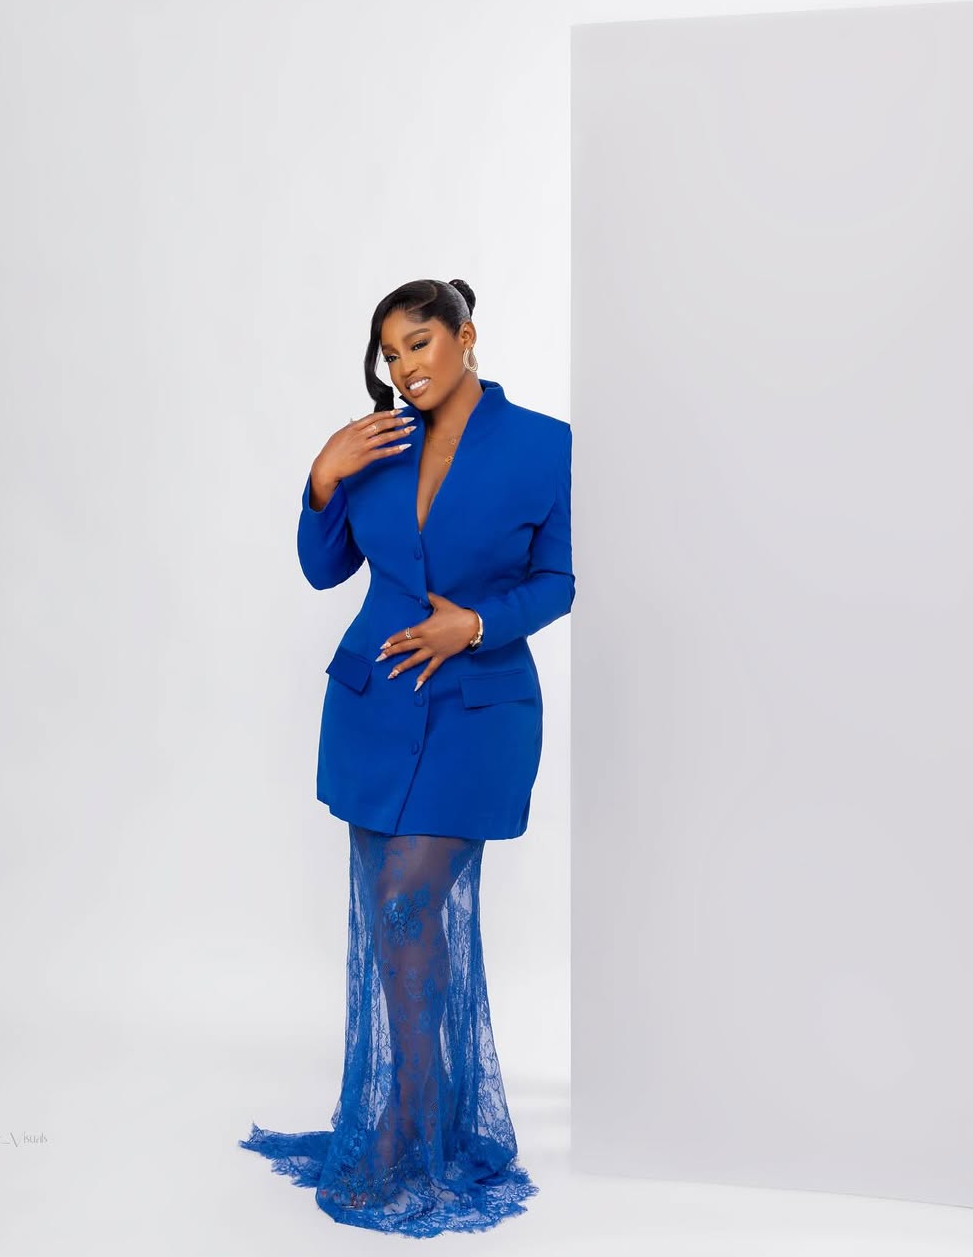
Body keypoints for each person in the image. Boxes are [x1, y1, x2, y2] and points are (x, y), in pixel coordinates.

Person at [239, 278, 575, 1236]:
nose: (405, 368)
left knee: (404, 904)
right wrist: (322, 477)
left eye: (419, 344)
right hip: (376, 710)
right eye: (390, 354)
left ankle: (405, 1125)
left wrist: (478, 624)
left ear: (467, 336)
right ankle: (420, 1112)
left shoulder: (547, 446)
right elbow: (325, 568)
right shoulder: (376, 444)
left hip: (479, 714)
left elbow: (561, 580)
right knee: (396, 926)